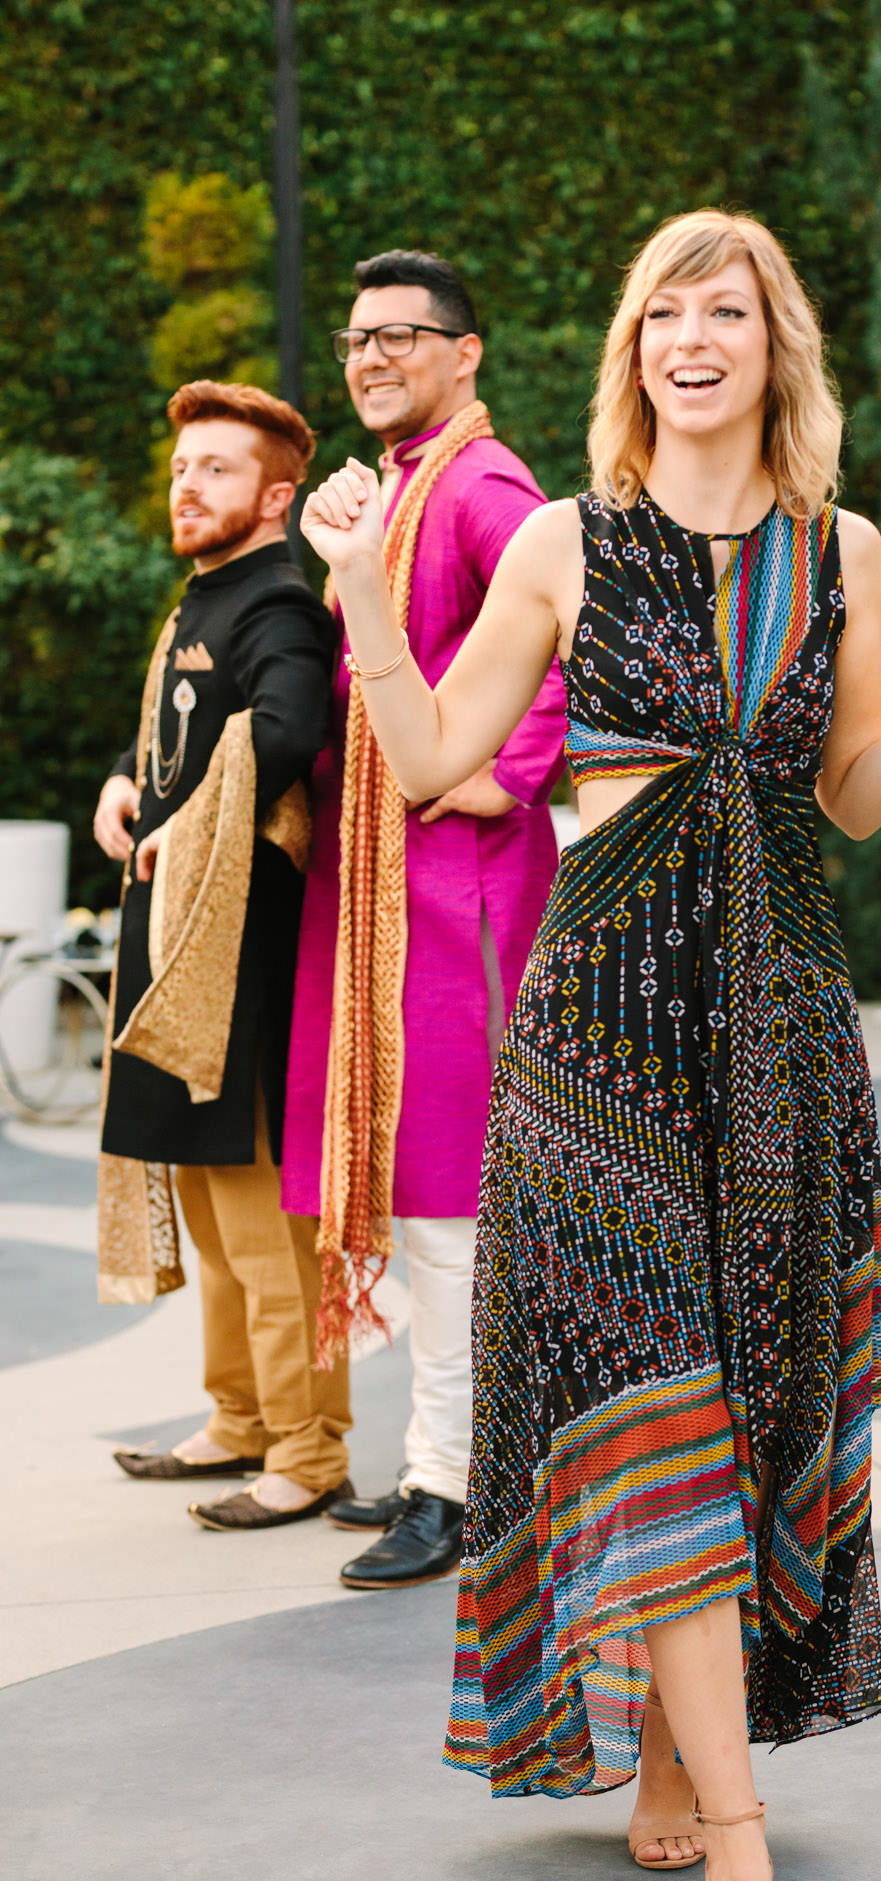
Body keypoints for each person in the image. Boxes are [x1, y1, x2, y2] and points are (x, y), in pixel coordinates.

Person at [301, 208, 881, 1881]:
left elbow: (859, 796)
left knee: (753, 1399)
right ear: (631, 345)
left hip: (781, 1023)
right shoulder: (566, 539)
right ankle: (739, 1839)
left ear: (777, 345)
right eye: (664, 312)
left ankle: (671, 1746)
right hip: (606, 1029)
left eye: (729, 311)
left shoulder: (842, 548)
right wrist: (354, 594)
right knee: (662, 1408)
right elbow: (429, 759)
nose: (693, 337)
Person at [281, 250, 567, 1591]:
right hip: (387, 891)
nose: (375, 357)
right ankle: (437, 1452)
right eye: (357, 340)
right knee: (413, 1182)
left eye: (405, 336)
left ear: (468, 355)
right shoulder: (399, 489)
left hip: (461, 890)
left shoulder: (485, 486)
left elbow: (567, 645)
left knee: (453, 1197)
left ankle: (455, 1482)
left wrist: (498, 778)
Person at [96, 379, 351, 1530]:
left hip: (241, 953)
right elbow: (173, 735)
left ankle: (310, 1446)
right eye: (179, 468)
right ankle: (238, 1417)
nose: (186, 485)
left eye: (215, 468)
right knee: (204, 1197)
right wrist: (123, 786)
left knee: (261, 1216)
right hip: (176, 938)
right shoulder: (202, 600)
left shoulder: (279, 605)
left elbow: (290, 732)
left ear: (276, 495)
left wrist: (183, 820)